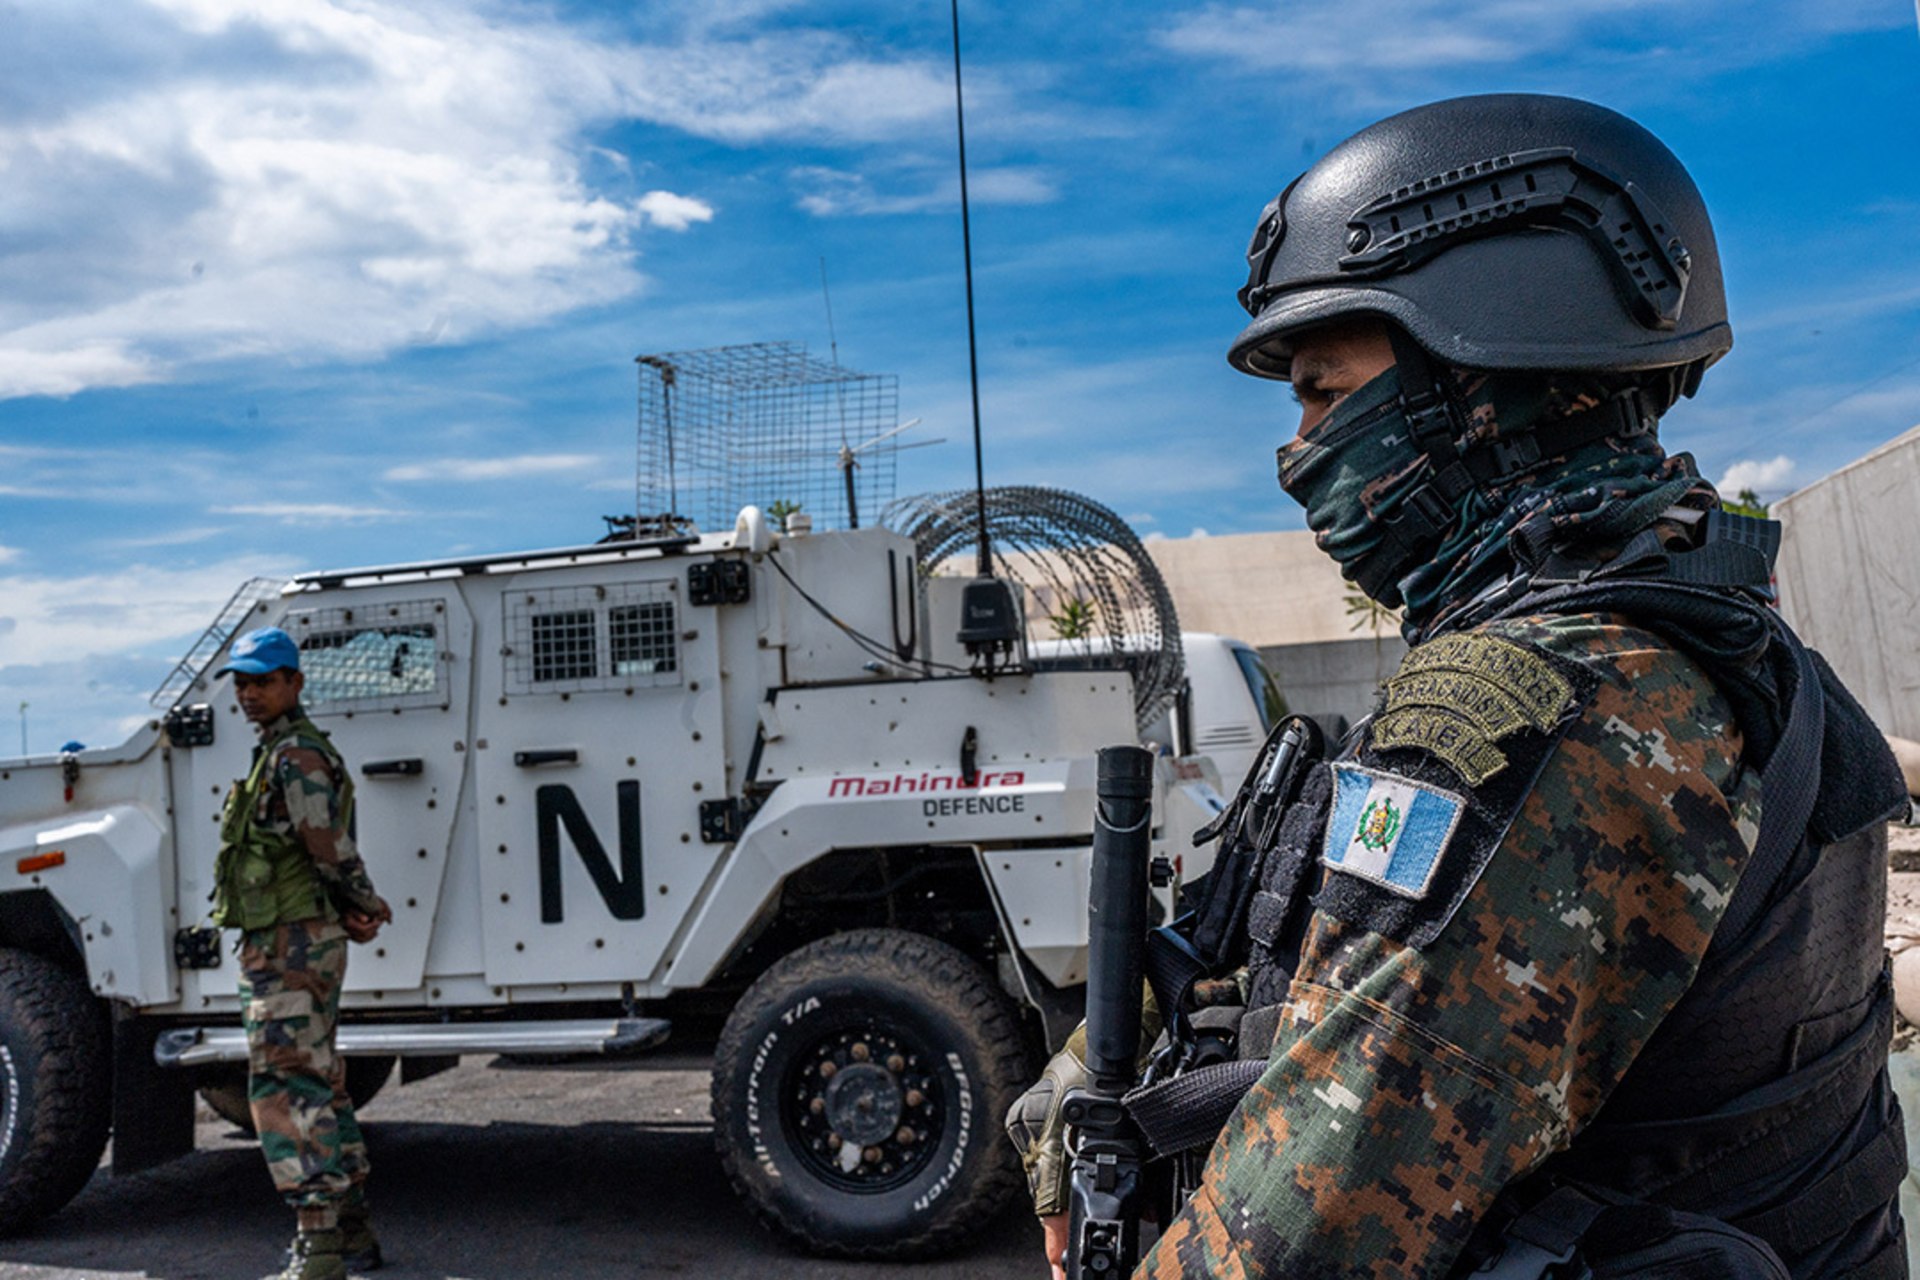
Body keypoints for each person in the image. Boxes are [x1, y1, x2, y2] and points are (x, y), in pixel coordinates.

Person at [1008, 94, 1910, 1279]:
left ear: (1487, 370)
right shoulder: (1702, 633)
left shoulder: (1550, 705)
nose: (1295, 454)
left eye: (1326, 391)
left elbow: (1309, 1230)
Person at [212, 626, 394, 1280]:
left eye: (263, 681)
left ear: (294, 682)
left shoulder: (295, 756)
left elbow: (327, 845)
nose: (249, 693)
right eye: (241, 682)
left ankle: (318, 1251)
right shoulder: (283, 752)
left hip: (290, 942)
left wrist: (362, 900)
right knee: (317, 1080)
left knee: (287, 1086)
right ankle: (351, 1232)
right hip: (290, 937)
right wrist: (352, 904)